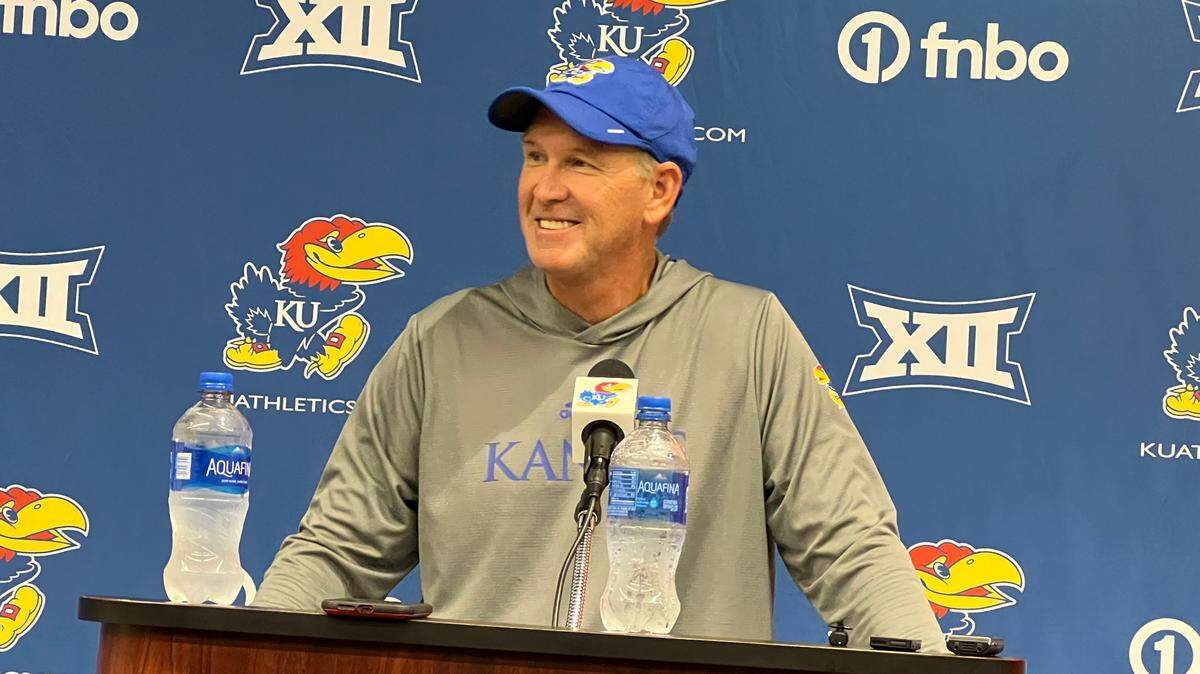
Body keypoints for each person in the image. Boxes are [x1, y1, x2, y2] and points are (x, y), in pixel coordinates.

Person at [254, 56, 946, 653]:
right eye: (535, 157)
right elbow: (335, 552)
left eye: (581, 162)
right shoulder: (440, 342)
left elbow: (850, 545)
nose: (545, 188)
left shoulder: (749, 334)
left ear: (660, 191)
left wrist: (927, 659)